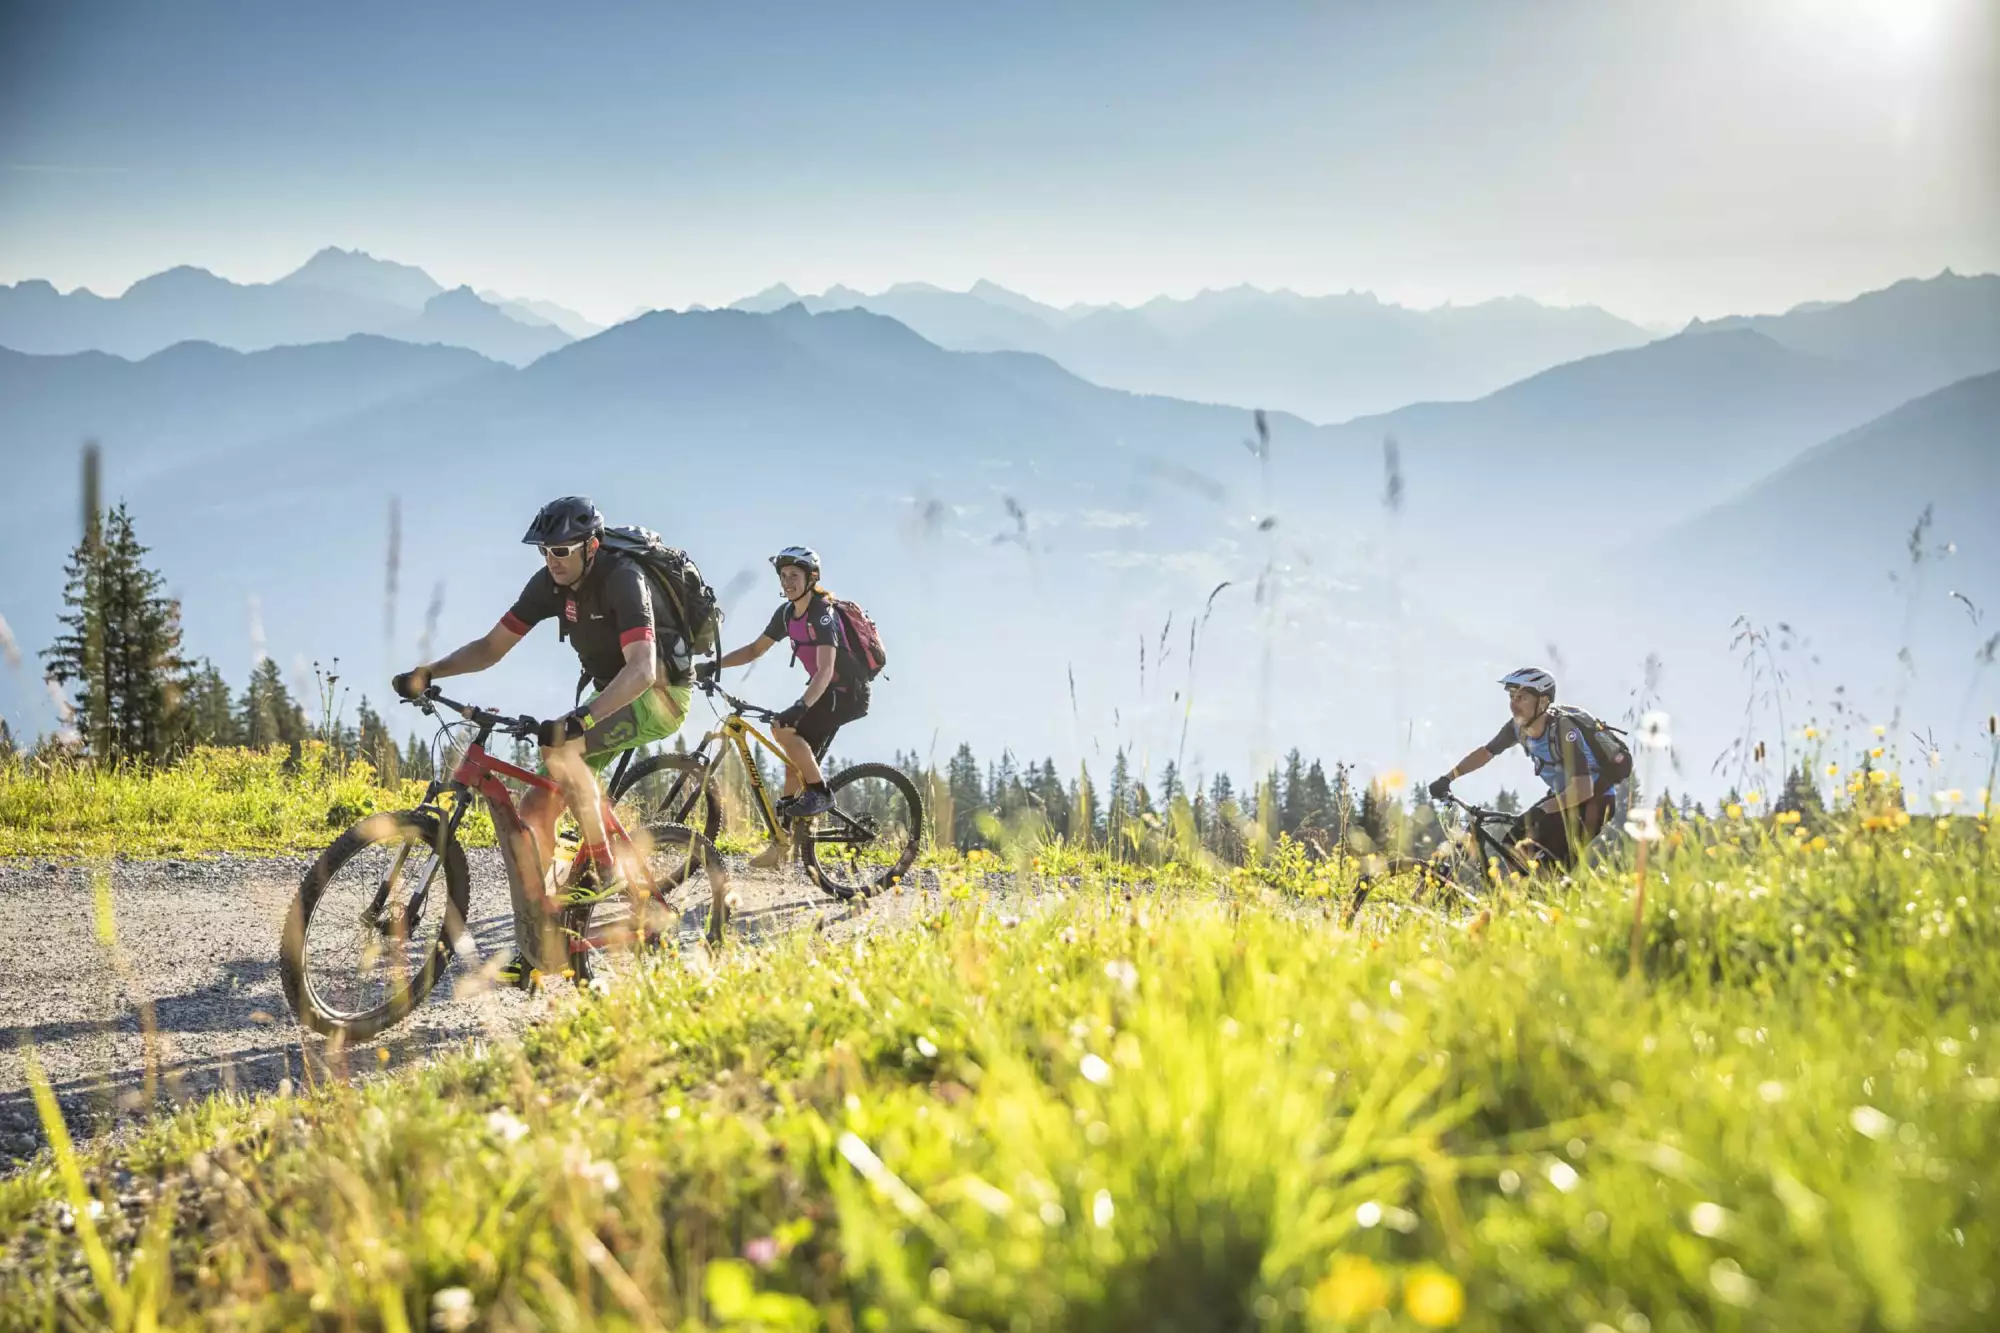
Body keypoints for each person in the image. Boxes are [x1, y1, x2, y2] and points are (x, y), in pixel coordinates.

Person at [392, 496, 691, 983]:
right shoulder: (549, 585)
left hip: (658, 696)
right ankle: (542, 940)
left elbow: (641, 670)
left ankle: (603, 862)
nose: (551, 561)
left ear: (590, 547)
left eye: (562, 551)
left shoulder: (622, 578)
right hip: (610, 694)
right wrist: (429, 672)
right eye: (545, 552)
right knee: (534, 811)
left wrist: (580, 721)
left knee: (561, 748)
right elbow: (491, 647)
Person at [699, 545, 871, 868]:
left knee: (785, 730)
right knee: (792, 755)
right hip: (823, 692)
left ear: (812, 578)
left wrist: (799, 707)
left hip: (844, 694)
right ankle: (783, 845)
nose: (788, 581)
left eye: (795, 575)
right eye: (783, 576)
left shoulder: (822, 612)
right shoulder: (785, 615)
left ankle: (820, 793)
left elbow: (825, 671)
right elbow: (754, 650)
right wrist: (714, 666)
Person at [1427, 667, 1629, 871]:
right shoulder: (1517, 727)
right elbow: (1485, 753)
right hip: (1562, 797)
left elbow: (1584, 789)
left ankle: (1553, 897)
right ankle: (1521, 898)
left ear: (1542, 701)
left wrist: (1541, 810)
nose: (1513, 704)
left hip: (1595, 801)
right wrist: (1448, 778)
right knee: (1511, 844)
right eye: (1512, 696)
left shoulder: (1564, 730)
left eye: (1521, 697)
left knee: (1550, 864)